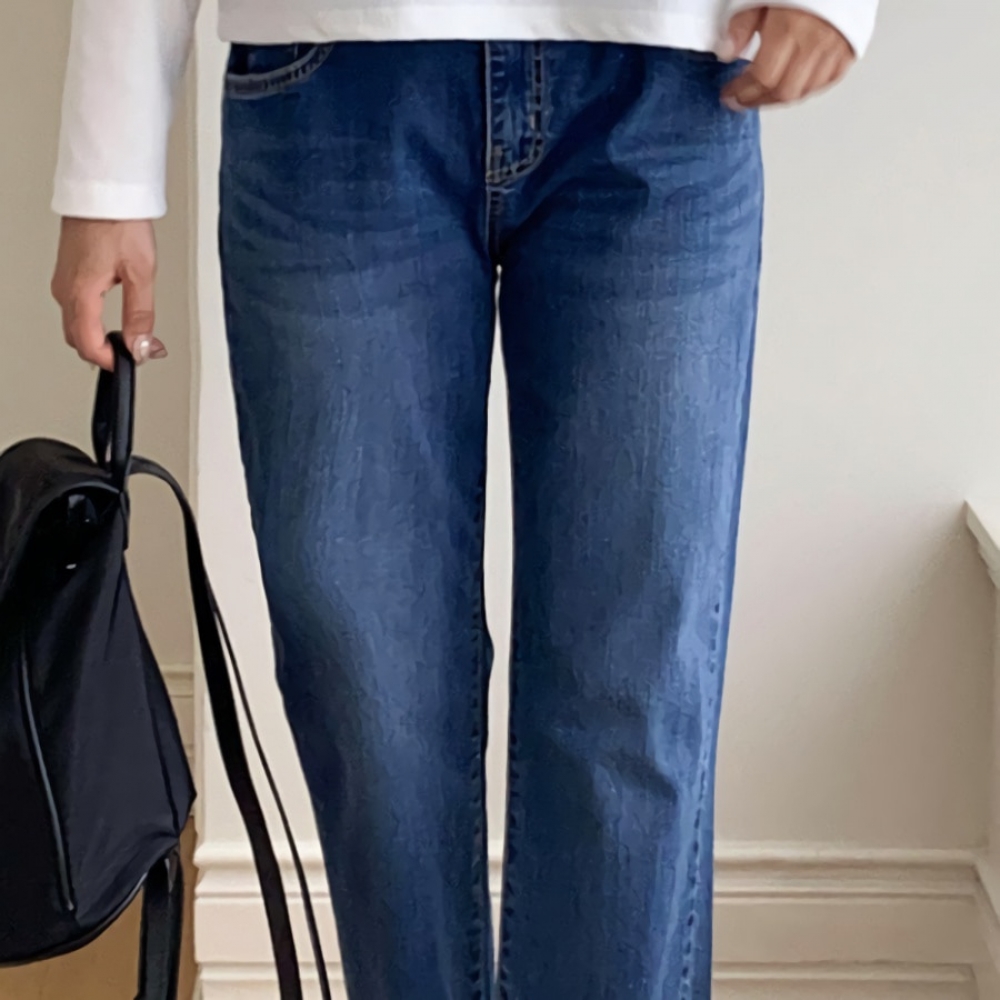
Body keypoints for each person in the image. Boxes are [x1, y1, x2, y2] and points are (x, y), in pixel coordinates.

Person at [50, 2, 878, 997]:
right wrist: (108, 163)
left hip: (668, 74)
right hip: (330, 73)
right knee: (369, 690)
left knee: (633, 687)